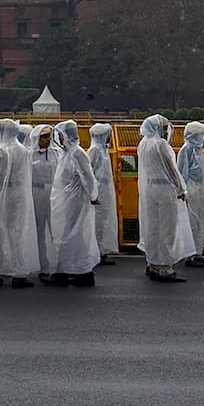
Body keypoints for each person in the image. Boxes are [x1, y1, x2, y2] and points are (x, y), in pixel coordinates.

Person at [0, 119, 40, 288]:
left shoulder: (1, 152)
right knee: (17, 234)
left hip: (2, 198)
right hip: (19, 196)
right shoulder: (23, 150)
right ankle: (18, 272)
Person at [137, 114, 194, 282]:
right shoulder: (161, 145)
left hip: (150, 189)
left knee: (152, 227)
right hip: (165, 189)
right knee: (168, 228)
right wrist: (181, 189)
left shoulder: (143, 143)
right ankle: (165, 267)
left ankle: (153, 263)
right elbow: (172, 169)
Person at [46, 120, 101, 287]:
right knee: (72, 236)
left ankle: (66, 272)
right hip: (67, 201)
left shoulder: (77, 153)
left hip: (75, 202)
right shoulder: (67, 153)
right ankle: (78, 272)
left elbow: (88, 176)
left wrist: (93, 195)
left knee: (71, 235)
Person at [177, 122, 204, 267]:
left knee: (200, 221)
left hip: (199, 189)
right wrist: (183, 191)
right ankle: (189, 255)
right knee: (191, 222)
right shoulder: (187, 150)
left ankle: (198, 252)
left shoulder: (197, 150)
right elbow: (182, 171)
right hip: (191, 189)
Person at [28, 124, 59, 279]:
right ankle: (42, 265)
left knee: (55, 229)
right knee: (39, 230)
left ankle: (57, 264)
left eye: (49, 137)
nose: (47, 140)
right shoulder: (29, 155)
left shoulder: (55, 153)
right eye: (44, 137)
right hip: (35, 194)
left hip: (52, 194)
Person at [88, 123, 119, 265]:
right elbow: (89, 172)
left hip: (105, 191)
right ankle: (97, 252)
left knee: (104, 221)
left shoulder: (102, 150)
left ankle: (102, 250)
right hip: (99, 191)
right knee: (98, 222)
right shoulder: (95, 150)